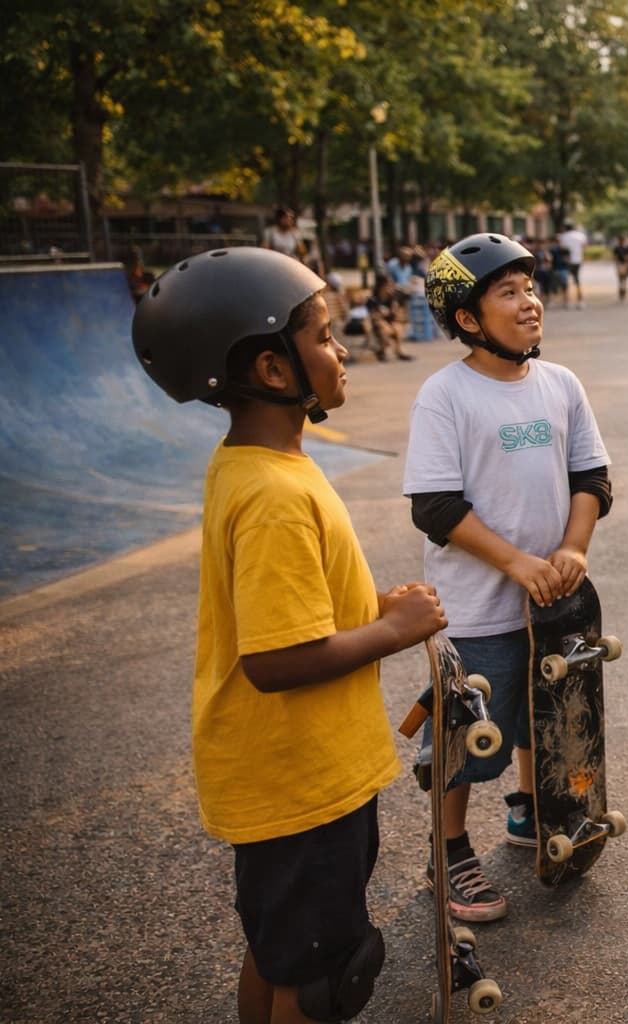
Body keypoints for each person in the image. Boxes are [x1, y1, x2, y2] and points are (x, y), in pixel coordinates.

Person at [128, 246, 447, 1024]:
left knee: (282, 951)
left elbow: (289, 602)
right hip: (301, 780)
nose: (341, 351)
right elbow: (274, 658)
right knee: (321, 974)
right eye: (325, 336)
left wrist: (368, 602)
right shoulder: (272, 493)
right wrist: (398, 630)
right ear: (273, 371)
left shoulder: (256, 464)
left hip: (294, 772)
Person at [403, 233, 613, 919]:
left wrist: (573, 549)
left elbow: (592, 476)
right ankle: (451, 849)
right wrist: (516, 561)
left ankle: (534, 811)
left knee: (545, 718)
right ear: (468, 318)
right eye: (509, 293)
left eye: (531, 289)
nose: (531, 303)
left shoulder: (560, 384)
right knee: (470, 737)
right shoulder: (446, 395)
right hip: (478, 606)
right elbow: (435, 507)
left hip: (553, 602)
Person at [366, 278, 411, 361]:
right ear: (381, 287)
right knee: (385, 328)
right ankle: (383, 351)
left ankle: (399, 351)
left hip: (389, 322)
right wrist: (381, 314)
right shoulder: (373, 299)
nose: (391, 288)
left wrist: (394, 308)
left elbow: (393, 316)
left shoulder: (391, 299)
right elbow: (372, 316)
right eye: (388, 286)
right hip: (377, 323)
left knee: (398, 328)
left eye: (391, 286)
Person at [557, 222, 589, 308]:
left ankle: (567, 302)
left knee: (565, 282)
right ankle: (580, 301)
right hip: (577, 260)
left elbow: (561, 248)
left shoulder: (563, 236)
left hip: (566, 262)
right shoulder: (580, 235)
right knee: (577, 281)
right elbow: (584, 246)